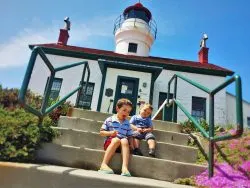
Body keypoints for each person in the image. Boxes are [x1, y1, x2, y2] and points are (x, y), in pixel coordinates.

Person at [98, 98, 133, 177]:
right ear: (117, 108)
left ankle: (124, 168)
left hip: (122, 146)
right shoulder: (109, 120)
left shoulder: (127, 123)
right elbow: (101, 132)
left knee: (124, 140)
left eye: (128, 112)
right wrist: (110, 133)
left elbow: (130, 135)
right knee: (117, 140)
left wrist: (131, 145)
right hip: (111, 143)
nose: (126, 113)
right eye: (124, 110)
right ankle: (103, 165)